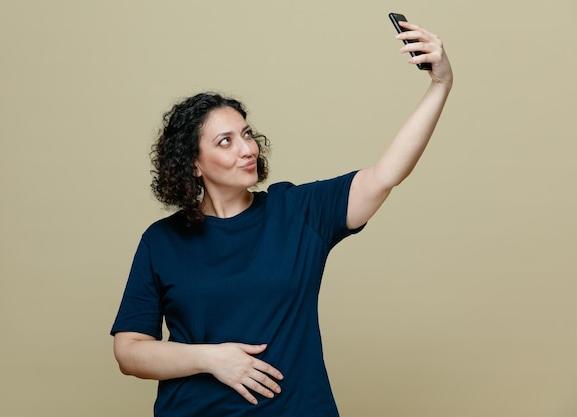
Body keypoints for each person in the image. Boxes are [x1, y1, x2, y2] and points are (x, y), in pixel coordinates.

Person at [111, 20, 453, 417]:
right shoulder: (161, 241)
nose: (246, 149)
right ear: (192, 165)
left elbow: (386, 174)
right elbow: (129, 351)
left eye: (247, 134)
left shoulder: (297, 212)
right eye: (226, 141)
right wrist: (211, 359)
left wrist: (440, 85)